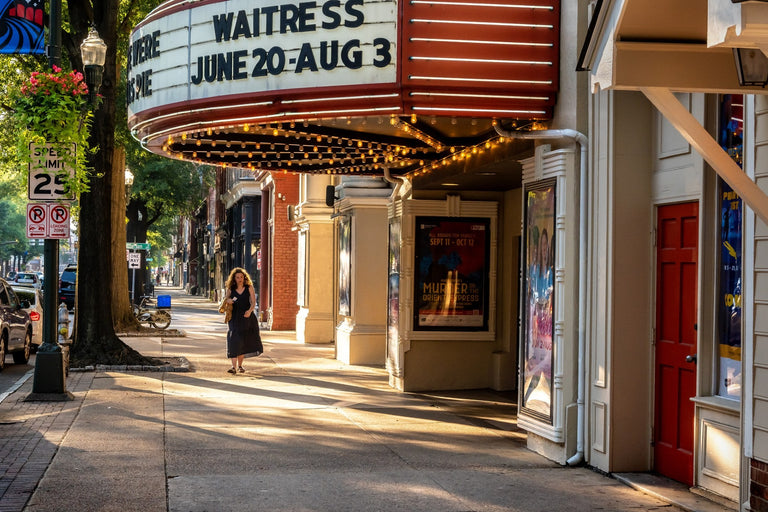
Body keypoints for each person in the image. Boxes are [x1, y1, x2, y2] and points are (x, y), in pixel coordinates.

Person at [222, 267, 263, 374]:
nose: (239, 279)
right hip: (234, 317)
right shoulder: (231, 289)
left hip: (246, 316)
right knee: (234, 339)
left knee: (243, 341)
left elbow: (253, 302)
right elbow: (225, 300)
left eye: (241, 277)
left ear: (244, 277)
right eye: (237, 277)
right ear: (233, 278)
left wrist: (250, 311)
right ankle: (233, 367)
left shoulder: (249, 287)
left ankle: (240, 366)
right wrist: (229, 300)